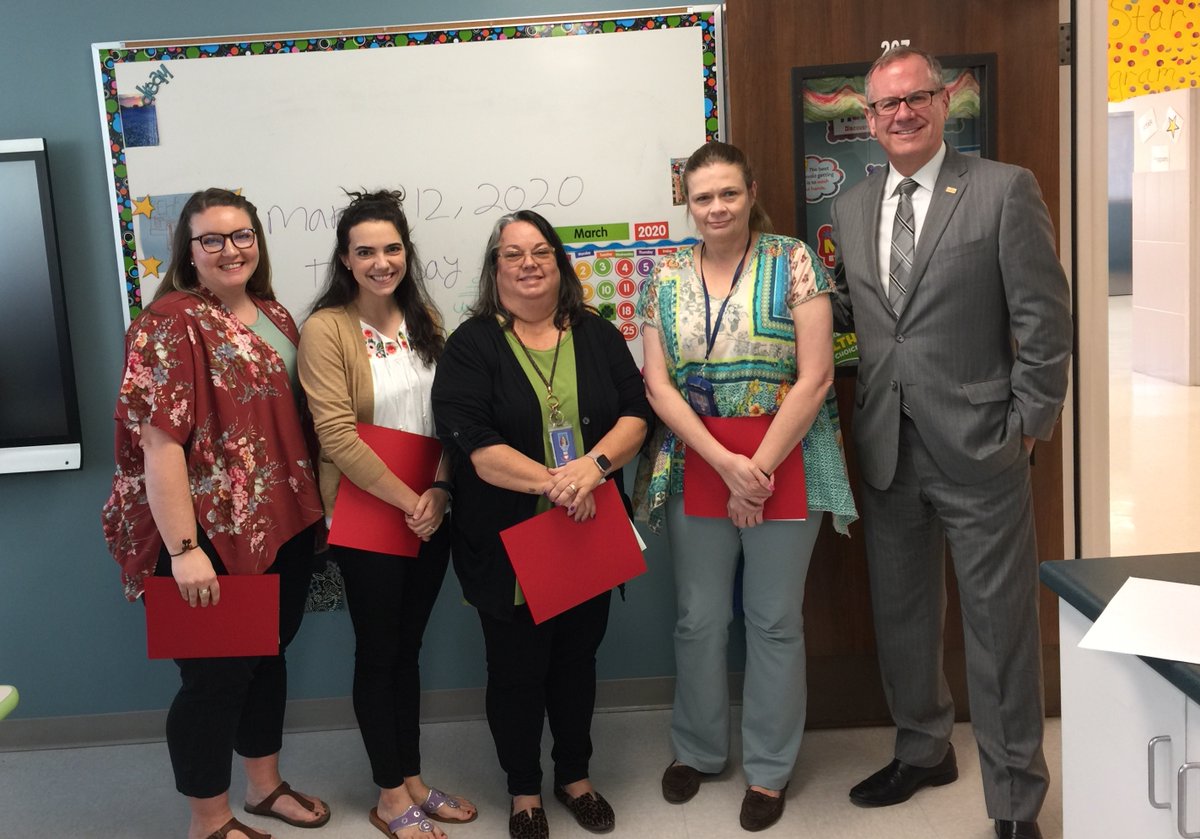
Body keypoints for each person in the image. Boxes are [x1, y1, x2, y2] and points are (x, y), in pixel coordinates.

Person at [828, 47, 1072, 839]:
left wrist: (1029, 424)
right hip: (887, 448)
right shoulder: (851, 209)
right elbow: (864, 321)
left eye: (917, 98)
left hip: (982, 449)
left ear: (944, 103)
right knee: (902, 616)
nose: (901, 114)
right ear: (866, 118)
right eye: (885, 105)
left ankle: (1012, 801)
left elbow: (1044, 319)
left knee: (1001, 632)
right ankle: (924, 746)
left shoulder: (1003, 189)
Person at [635, 140, 858, 832]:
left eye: (727, 193)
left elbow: (817, 374)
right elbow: (657, 384)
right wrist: (725, 463)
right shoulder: (666, 276)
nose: (715, 208)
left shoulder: (792, 259)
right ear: (688, 203)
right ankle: (699, 751)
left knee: (773, 619)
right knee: (699, 618)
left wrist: (754, 466)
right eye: (702, 197)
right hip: (699, 459)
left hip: (788, 456)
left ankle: (768, 770)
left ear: (750, 190)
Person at [101, 188, 329, 839]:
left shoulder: (277, 315)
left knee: (269, 659)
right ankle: (209, 820)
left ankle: (263, 787)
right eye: (213, 239)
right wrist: (182, 549)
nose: (231, 249)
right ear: (189, 253)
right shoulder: (170, 321)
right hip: (205, 535)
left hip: (282, 523)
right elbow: (158, 443)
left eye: (242, 236)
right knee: (214, 681)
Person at [431, 210, 649, 839]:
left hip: (588, 531)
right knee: (517, 671)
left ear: (559, 262)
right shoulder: (471, 345)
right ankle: (524, 791)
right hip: (507, 544)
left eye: (540, 252)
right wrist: (560, 484)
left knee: (578, 663)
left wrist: (593, 468)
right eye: (512, 254)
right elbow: (474, 442)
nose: (528, 264)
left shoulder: (598, 334)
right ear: (493, 268)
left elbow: (635, 413)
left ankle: (575, 778)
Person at [297, 190, 477, 839]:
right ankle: (388, 794)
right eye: (366, 250)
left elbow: (450, 415)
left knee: (408, 649)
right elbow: (337, 436)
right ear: (345, 259)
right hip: (372, 512)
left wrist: (441, 492)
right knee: (379, 651)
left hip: (431, 505)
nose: (381, 261)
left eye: (392, 248)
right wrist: (411, 501)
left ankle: (414, 781)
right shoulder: (326, 328)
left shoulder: (424, 315)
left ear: (407, 252)